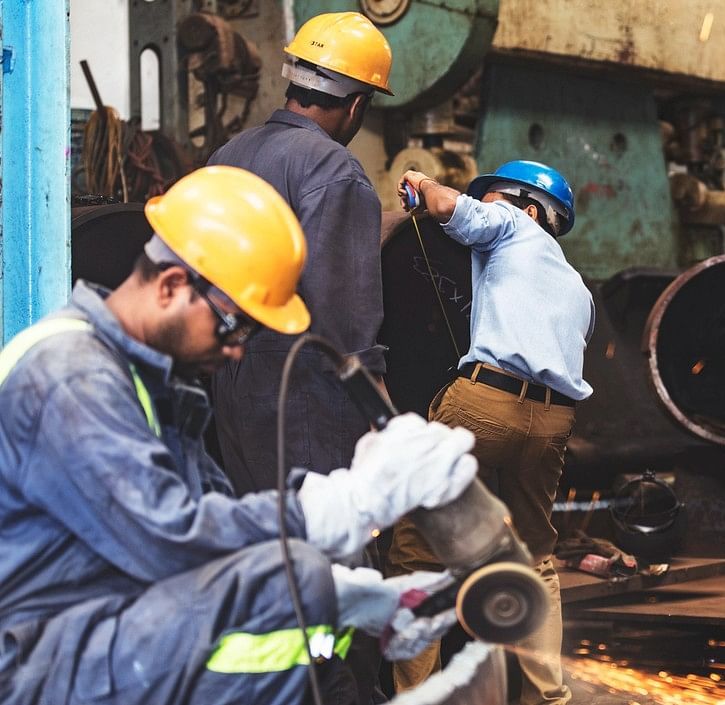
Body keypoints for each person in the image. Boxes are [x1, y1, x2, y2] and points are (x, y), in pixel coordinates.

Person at [0, 166, 474, 705]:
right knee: (279, 619)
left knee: (299, 592)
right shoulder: (73, 377)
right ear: (173, 285)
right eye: (234, 324)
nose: (238, 350)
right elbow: (171, 544)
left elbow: (214, 519)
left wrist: (342, 593)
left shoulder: (151, 383)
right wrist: (336, 509)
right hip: (36, 659)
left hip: (95, 620)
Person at [388, 161, 594, 704]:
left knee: (418, 552)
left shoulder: (513, 226)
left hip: (484, 403)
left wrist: (423, 181)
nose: (489, 205)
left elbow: (447, 208)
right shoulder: (578, 287)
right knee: (536, 559)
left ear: (531, 209)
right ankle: (549, 698)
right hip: (553, 421)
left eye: (496, 197)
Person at [207, 11, 391, 494]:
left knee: (266, 540)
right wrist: (377, 403)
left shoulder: (226, 156)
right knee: (325, 546)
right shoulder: (332, 167)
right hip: (306, 392)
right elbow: (344, 312)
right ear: (355, 107)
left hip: (231, 384)